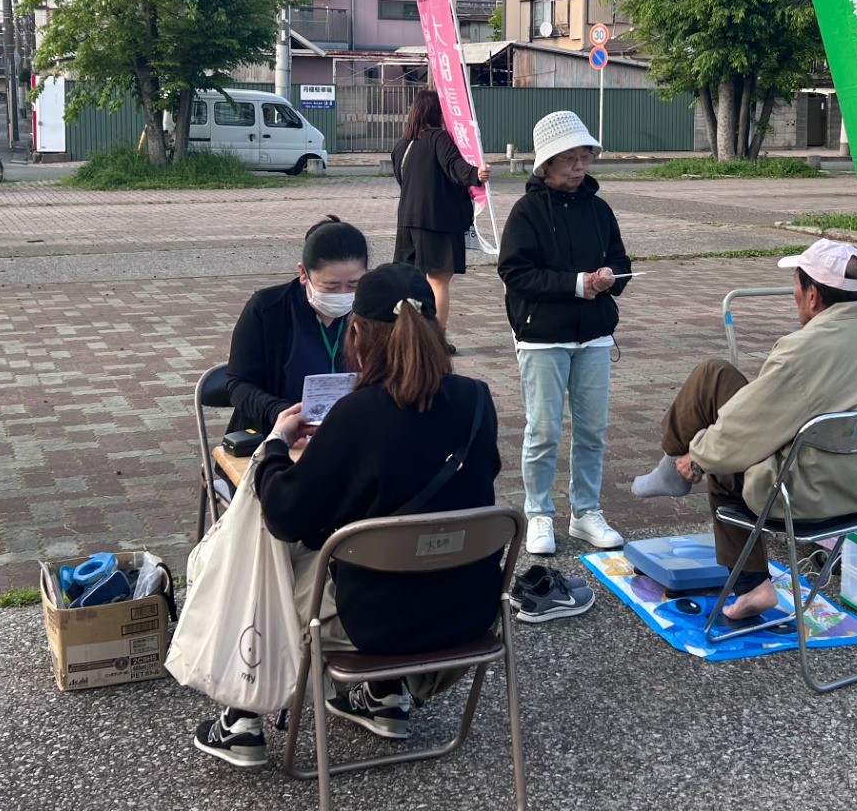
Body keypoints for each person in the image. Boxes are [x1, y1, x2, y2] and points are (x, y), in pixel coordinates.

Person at [195, 262, 503, 767]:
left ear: (357, 334)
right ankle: (384, 694)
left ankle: (242, 718)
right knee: (392, 544)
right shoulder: (476, 401)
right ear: (434, 329)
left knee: (266, 559)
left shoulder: (358, 413)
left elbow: (286, 514)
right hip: (467, 613)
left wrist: (275, 447)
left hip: (373, 624)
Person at [632, 239, 857, 623]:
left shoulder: (803, 350)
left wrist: (698, 457)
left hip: (797, 498)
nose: (793, 294)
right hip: (854, 491)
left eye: (796, 285)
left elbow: (741, 433)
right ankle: (675, 467)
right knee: (720, 380)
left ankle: (751, 583)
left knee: (720, 433)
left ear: (813, 296)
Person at [497, 109, 630, 557]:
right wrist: (576, 284)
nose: (578, 167)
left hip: (593, 335)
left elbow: (621, 262)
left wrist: (611, 276)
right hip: (541, 337)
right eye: (569, 158)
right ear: (546, 163)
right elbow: (515, 272)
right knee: (543, 431)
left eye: (584, 157)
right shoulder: (526, 211)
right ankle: (538, 512)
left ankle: (585, 511)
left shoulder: (599, 208)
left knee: (592, 430)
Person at [224, 217, 369, 437]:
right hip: (279, 433)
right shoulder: (268, 309)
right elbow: (239, 384)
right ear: (303, 274)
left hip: (351, 432)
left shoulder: (372, 312)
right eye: (330, 286)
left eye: (353, 285)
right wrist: (279, 412)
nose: (342, 295)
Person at [392, 90, 489, 346]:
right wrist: (476, 174)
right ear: (438, 112)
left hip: (407, 220)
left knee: (410, 280)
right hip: (438, 221)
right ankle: (436, 342)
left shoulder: (402, 145)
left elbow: (402, 179)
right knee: (438, 281)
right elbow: (454, 167)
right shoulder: (438, 138)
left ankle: (408, 337)